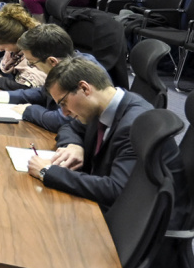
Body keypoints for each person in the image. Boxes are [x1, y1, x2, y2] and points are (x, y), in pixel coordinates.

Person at [27, 57, 177, 214]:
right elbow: (69, 127)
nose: (64, 113)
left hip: (143, 217)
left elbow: (116, 190)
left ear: (84, 88)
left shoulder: (133, 126)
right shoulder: (101, 105)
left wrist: (47, 171)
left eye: (63, 103)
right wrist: (74, 145)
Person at [0, 23, 95, 132]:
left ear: (52, 61)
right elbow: (43, 93)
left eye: (32, 63)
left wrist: (29, 111)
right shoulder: (65, 63)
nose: (31, 67)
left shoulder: (81, 73)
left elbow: (63, 119)